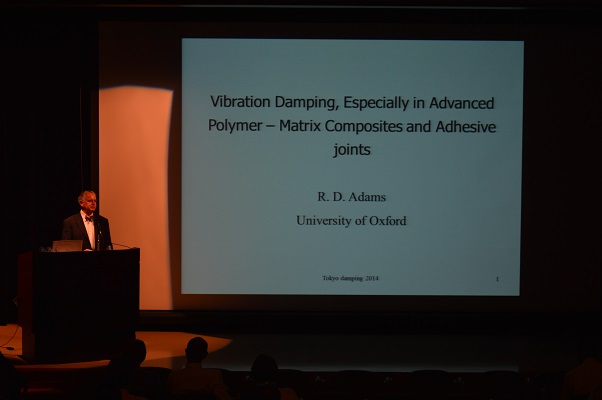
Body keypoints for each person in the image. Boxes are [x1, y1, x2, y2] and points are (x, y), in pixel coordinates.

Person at [168, 337, 232, 400]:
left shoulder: (173, 377)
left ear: (186, 352)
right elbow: (223, 397)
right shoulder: (214, 376)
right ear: (205, 354)